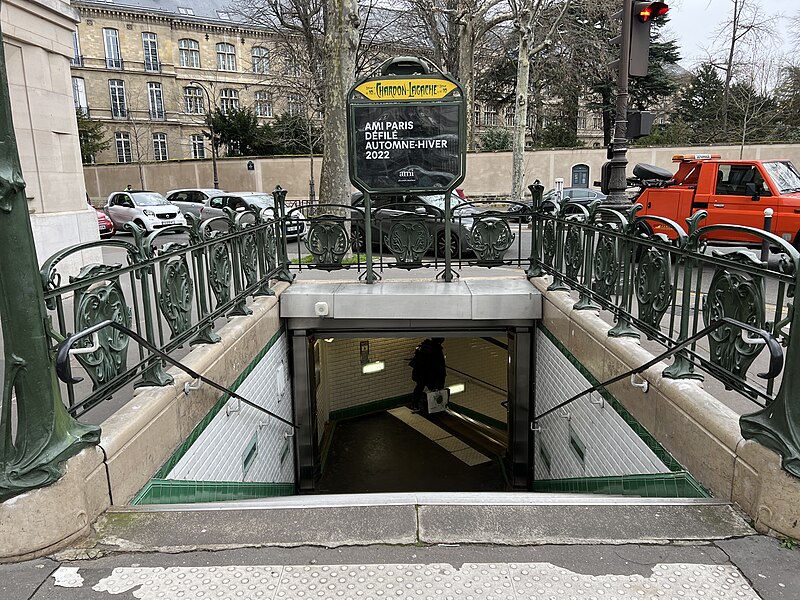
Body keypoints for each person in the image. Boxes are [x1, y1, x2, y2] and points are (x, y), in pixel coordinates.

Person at [408, 338, 446, 413]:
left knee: (419, 388)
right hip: (430, 374)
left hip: (420, 372)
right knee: (434, 389)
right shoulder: (437, 350)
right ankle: (434, 406)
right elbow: (440, 365)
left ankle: (414, 404)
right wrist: (441, 376)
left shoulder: (424, 346)